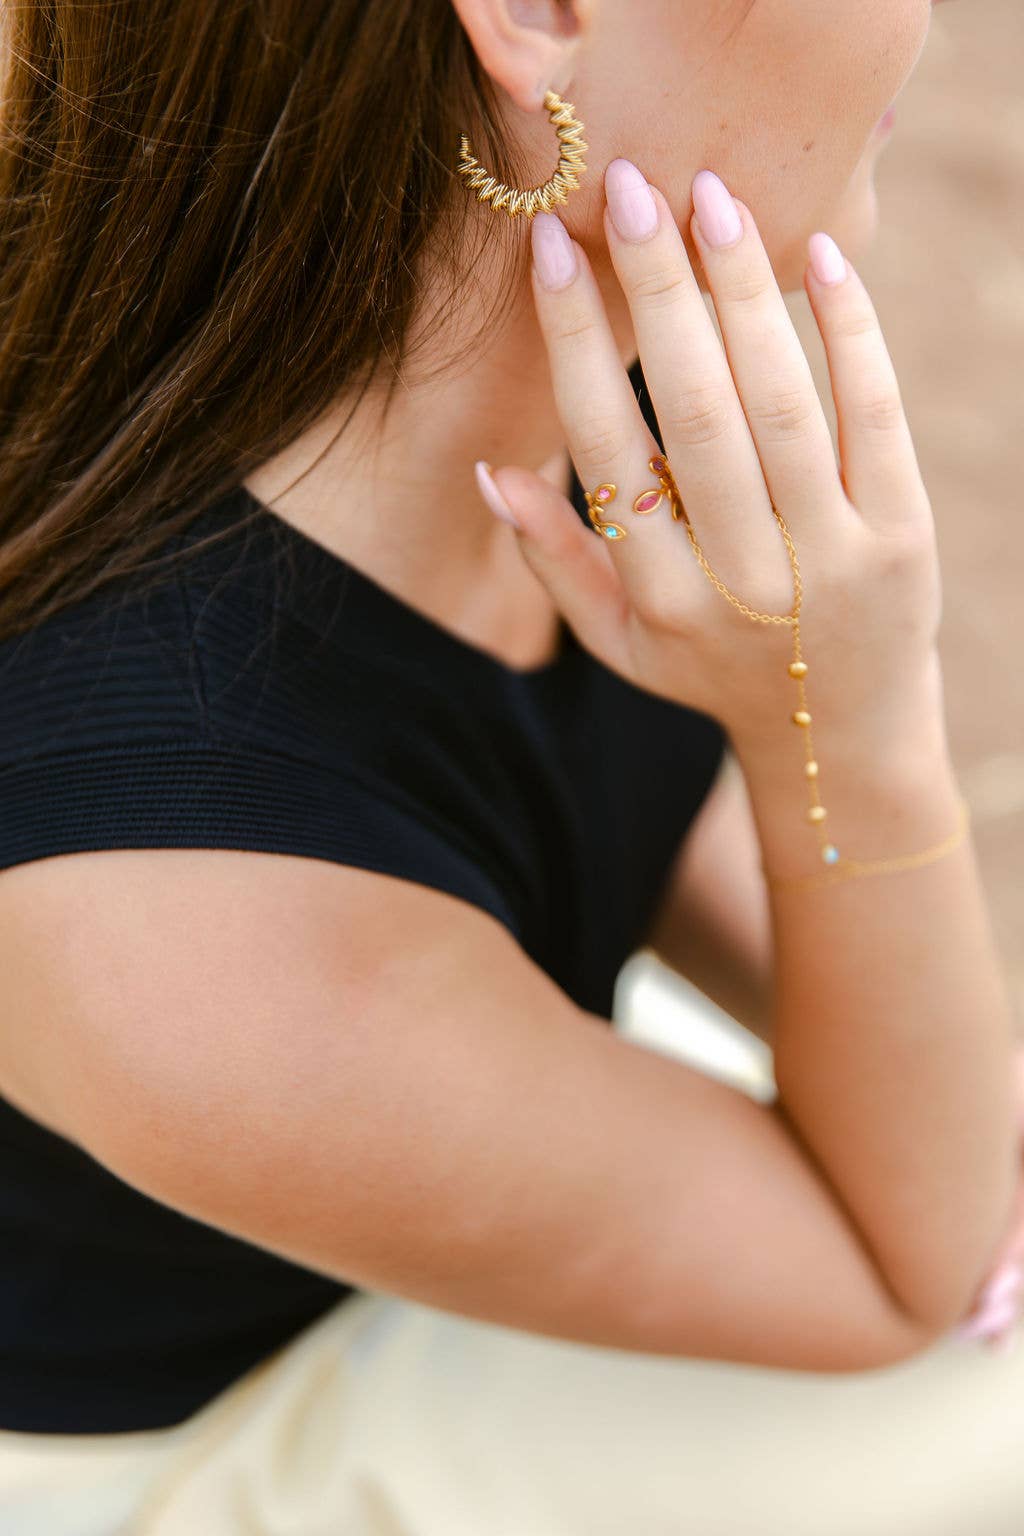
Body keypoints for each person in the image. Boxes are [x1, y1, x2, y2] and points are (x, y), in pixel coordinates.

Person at [0, 0, 1021, 1529]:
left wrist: (959, 1105)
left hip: (414, 1168)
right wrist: (855, 733)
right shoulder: (175, 894)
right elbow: (897, 1273)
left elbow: (602, 801)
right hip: (175, 1442)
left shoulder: (508, 352)